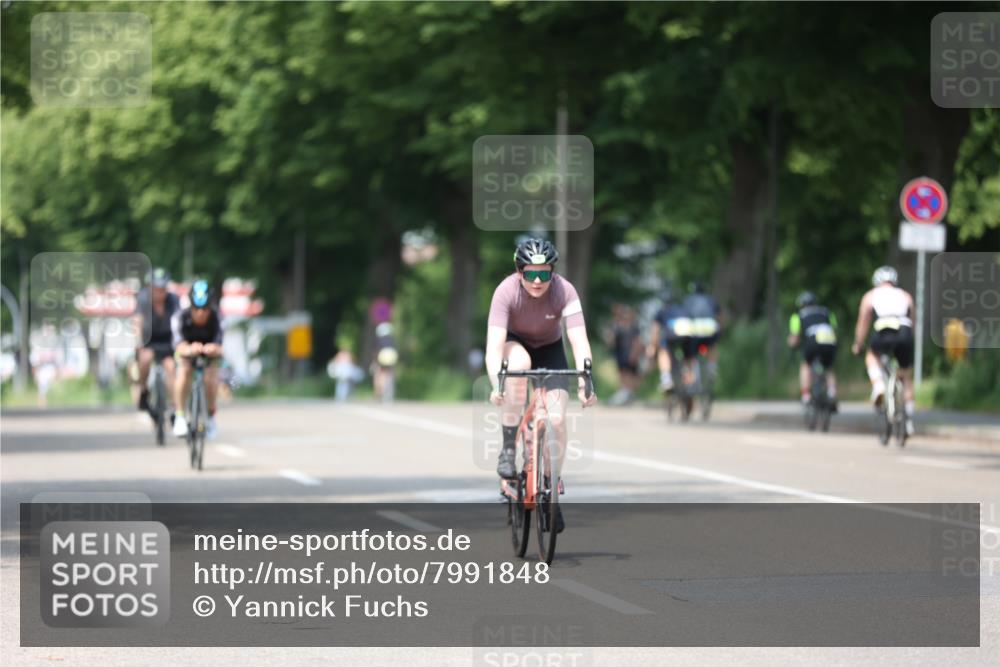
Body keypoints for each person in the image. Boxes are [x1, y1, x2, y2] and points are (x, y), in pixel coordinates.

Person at [486, 237, 597, 533]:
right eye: (531, 273)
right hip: (516, 345)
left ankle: (551, 488)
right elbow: (494, 347)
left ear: (553, 273)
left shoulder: (565, 291)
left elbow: (578, 339)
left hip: (551, 349)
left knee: (557, 418)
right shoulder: (505, 292)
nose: (537, 281)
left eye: (544, 274)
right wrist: (496, 383)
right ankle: (509, 447)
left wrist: (587, 379)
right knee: (518, 369)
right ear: (519, 271)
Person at [851, 266, 916, 435]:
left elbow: (864, 320)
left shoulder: (871, 295)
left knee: (872, 356)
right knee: (906, 376)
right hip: (904, 332)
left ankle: (879, 386)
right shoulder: (905, 295)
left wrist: (858, 342)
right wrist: (909, 340)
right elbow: (913, 319)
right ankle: (909, 420)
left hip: (884, 331)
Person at [172, 280, 224, 439]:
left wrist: (214, 349)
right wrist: (189, 349)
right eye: (196, 309)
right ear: (191, 306)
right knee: (184, 371)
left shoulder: (217, 317)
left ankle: (210, 415)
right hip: (187, 351)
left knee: (211, 377)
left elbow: (221, 347)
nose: (200, 313)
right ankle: (180, 416)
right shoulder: (180, 316)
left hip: (209, 353)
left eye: (205, 309)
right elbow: (177, 345)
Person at [132, 268, 180, 416]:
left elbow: (179, 322)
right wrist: (139, 342)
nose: (160, 292)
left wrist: (180, 342)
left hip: (168, 340)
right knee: (144, 360)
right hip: (149, 340)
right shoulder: (143, 299)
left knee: (171, 368)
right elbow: (137, 322)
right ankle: (144, 391)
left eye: (163, 288)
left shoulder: (174, 300)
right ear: (150, 287)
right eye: (156, 289)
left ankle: (174, 407)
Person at [787, 291, 838, 409]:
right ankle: (832, 392)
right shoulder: (826, 312)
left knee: (805, 365)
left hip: (813, 340)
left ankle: (806, 395)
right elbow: (834, 330)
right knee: (828, 367)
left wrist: (792, 344)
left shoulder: (798, 315)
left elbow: (795, 336)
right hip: (829, 339)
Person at [648, 287, 692, 393]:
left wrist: (653, 347)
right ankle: (689, 378)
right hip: (688, 335)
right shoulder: (683, 309)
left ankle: (666, 378)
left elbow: (655, 331)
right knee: (688, 355)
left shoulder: (662, 311)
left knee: (663, 350)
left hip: (671, 336)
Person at [681, 281, 721, 382]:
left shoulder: (688, 300)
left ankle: (688, 374)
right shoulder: (710, 299)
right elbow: (719, 316)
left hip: (693, 333)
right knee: (713, 344)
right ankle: (712, 367)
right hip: (709, 330)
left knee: (688, 352)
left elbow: (683, 316)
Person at [607, 304, 642, 405]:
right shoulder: (617, 327)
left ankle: (628, 395)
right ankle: (623, 394)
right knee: (622, 374)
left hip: (630, 355)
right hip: (620, 354)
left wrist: (634, 354)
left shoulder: (634, 328)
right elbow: (611, 341)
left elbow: (637, 342)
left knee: (631, 376)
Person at [371, 322, 399, 403]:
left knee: (380, 374)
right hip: (392, 356)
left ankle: (380, 392)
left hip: (382, 355)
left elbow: (376, 351)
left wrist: (375, 361)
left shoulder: (378, 339)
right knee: (390, 374)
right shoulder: (392, 339)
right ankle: (389, 393)